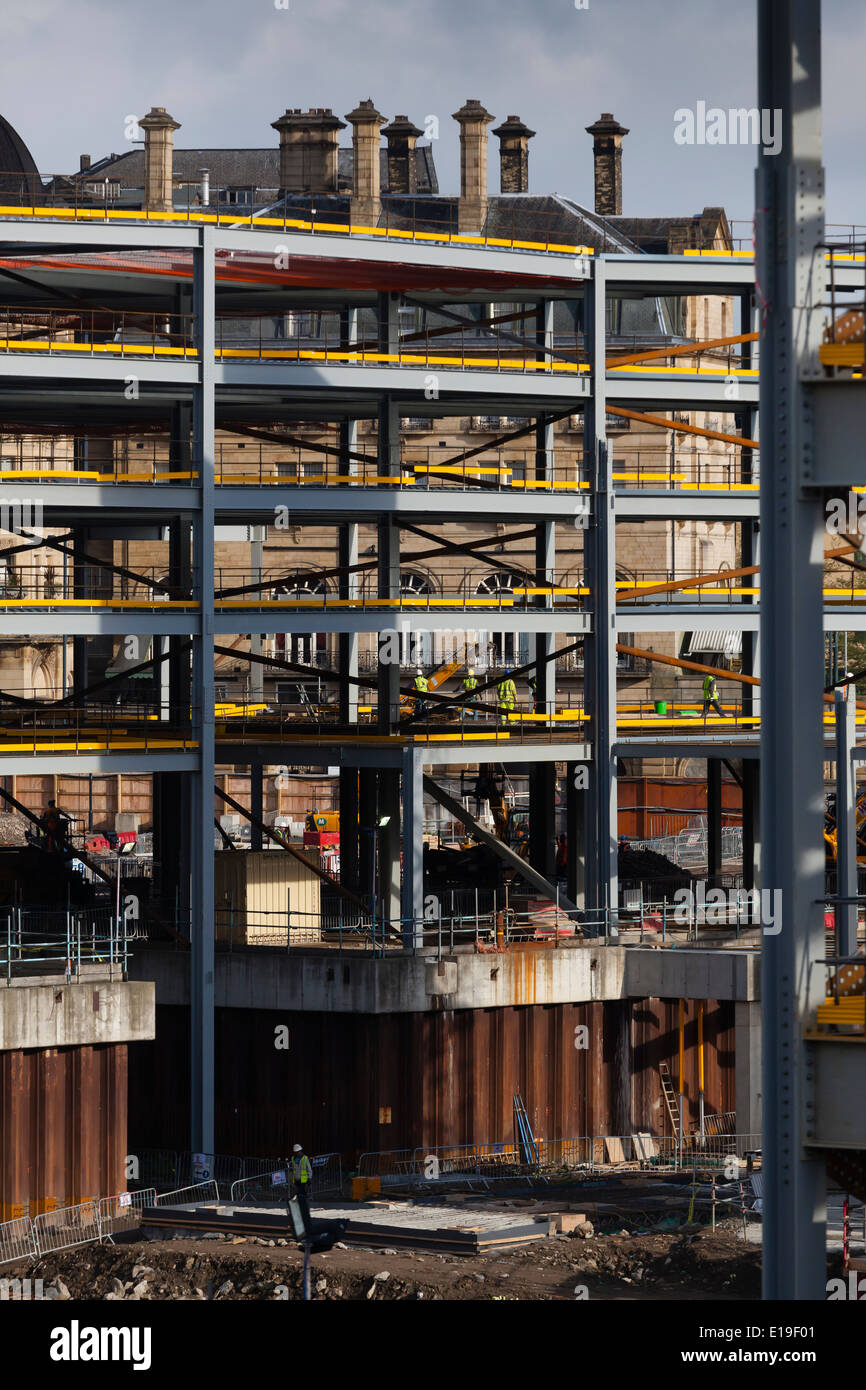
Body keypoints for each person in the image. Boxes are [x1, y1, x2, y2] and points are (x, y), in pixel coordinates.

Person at [291, 1143, 313, 1233]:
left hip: (304, 1181)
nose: (297, 1153)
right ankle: (300, 1211)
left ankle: (305, 1210)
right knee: (299, 1196)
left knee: (304, 1196)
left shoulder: (305, 1158)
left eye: (298, 1152)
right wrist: (293, 1181)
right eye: (296, 1152)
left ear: (300, 1151)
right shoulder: (293, 1159)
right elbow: (294, 1170)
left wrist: (309, 1180)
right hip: (297, 1181)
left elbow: (309, 1170)